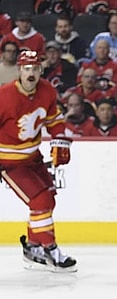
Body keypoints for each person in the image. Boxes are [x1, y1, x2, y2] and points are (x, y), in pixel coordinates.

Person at [0, 50, 77, 272]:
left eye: (35, 68)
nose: (31, 73)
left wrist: (60, 138)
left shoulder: (47, 90)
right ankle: (50, 250)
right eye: (26, 69)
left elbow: (53, 119)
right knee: (40, 201)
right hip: (8, 162)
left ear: (41, 70)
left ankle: (33, 247)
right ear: (19, 71)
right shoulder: (4, 96)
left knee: (48, 199)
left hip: (33, 157)